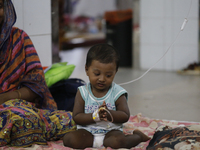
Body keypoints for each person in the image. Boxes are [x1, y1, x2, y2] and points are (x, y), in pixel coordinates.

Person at [0, 0, 76, 147]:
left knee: (73, 119)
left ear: (7, 8)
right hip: (15, 115)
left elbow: (37, 85)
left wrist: (6, 97)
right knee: (24, 121)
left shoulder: (20, 38)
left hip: (22, 107)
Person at [63, 43, 150, 149]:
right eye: (97, 74)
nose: (102, 79)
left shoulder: (117, 92)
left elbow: (125, 115)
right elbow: (76, 117)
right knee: (69, 139)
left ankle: (137, 137)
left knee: (118, 142)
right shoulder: (82, 92)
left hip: (111, 132)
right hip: (87, 133)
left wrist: (109, 114)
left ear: (115, 72)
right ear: (87, 70)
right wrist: (95, 116)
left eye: (108, 75)